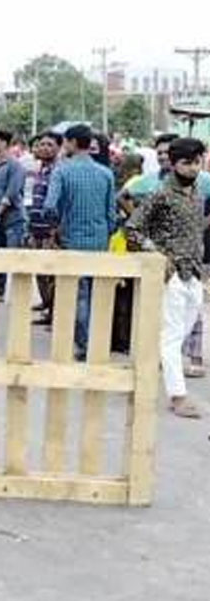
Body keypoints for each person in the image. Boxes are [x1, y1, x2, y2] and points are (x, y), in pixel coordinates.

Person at [126, 138, 208, 419]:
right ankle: (178, 396)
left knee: (178, 335)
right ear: (173, 164)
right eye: (187, 163)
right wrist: (161, 257)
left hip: (194, 273)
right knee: (172, 337)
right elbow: (132, 229)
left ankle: (146, 371)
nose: (193, 167)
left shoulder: (197, 194)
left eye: (197, 162)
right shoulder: (160, 195)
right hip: (170, 274)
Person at [45, 124, 116, 361]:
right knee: (100, 294)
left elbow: (50, 207)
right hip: (99, 239)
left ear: (73, 143)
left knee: (79, 295)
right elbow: (111, 213)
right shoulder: (106, 173)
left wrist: (55, 229)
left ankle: (84, 343)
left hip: (71, 239)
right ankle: (100, 342)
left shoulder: (62, 171)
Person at [0, 128, 28, 301]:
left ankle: (20, 293)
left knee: (15, 256)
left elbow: (12, 192)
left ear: (4, 143)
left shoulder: (14, 165)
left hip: (12, 218)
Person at [27, 132, 63, 325]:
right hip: (36, 228)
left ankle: (55, 314)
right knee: (40, 271)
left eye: (49, 145)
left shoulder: (59, 171)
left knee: (51, 273)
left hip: (51, 230)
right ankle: (48, 307)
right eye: (41, 144)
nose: (44, 148)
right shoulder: (41, 170)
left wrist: (54, 230)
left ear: (58, 148)